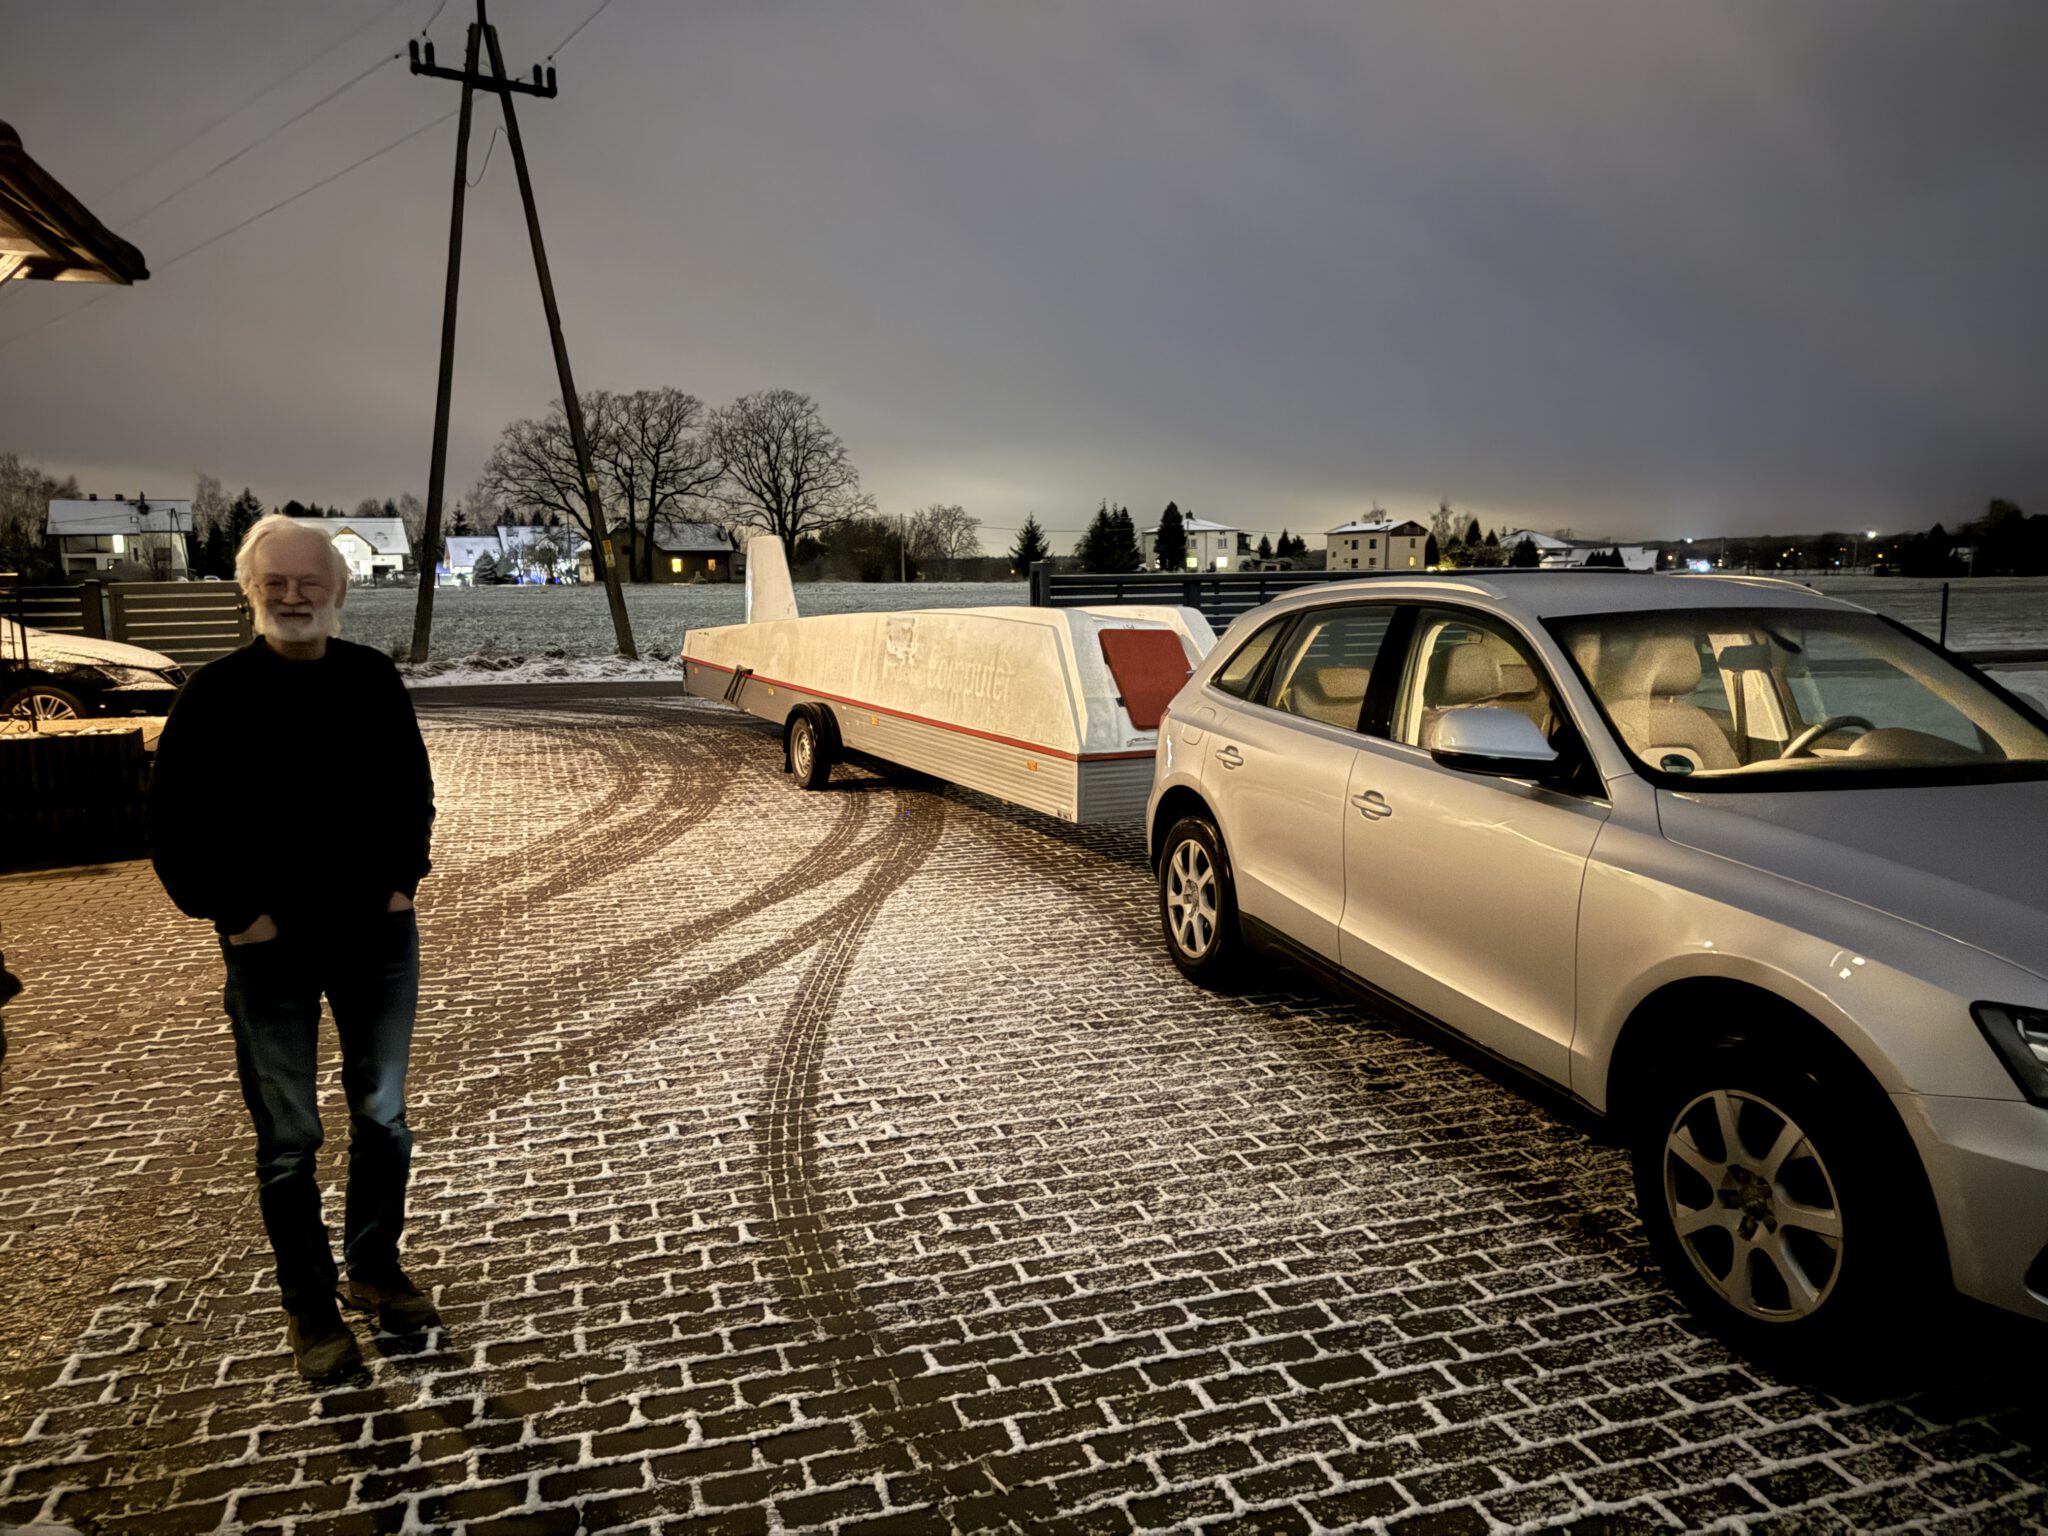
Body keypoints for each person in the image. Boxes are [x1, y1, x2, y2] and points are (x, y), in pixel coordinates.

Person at [150, 515, 436, 1381]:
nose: (292, 596)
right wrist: (235, 914)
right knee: (289, 1137)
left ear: (339, 590)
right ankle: (309, 1305)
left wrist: (401, 883)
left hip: (376, 937)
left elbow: (411, 789)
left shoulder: (372, 678)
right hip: (268, 948)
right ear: (248, 592)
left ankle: (374, 1271)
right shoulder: (214, 695)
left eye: (309, 581)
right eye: (273, 582)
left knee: (382, 1117)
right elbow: (173, 823)